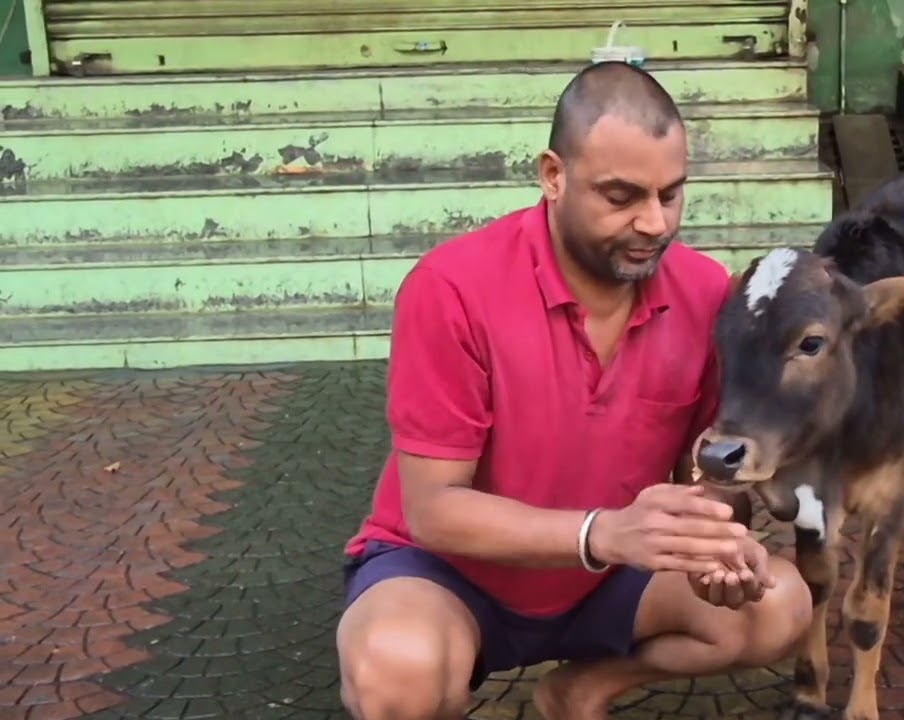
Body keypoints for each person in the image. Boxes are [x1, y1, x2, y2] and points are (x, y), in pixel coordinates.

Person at [334, 61, 813, 720]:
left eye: (670, 194)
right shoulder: (452, 289)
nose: (653, 223)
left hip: (612, 577)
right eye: (621, 197)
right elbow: (433, 511)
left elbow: (710, 470)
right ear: (553, 175)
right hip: (450, 573)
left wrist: (713, 545)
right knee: (398, 673)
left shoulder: (704, 293)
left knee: (779, 606)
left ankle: (583, 688)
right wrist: (602, 533)